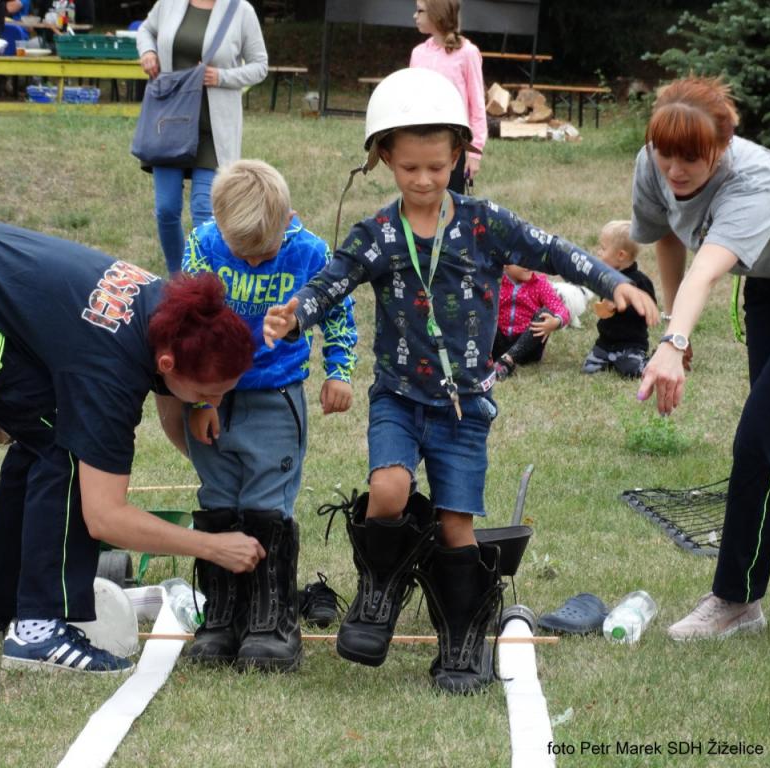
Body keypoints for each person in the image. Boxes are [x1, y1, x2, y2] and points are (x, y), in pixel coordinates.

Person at [264, 68, 658, 693]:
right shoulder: (378, 234)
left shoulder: (483, 224)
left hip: (463, 408)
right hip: (396, 395)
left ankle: (462, 638)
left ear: (458, 158)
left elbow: (553, 250)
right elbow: (331, 281)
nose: (423, 181)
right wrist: (295, 315)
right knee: (388, 489)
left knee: (456, 529)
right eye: (409, 167)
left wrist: (613, 282)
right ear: (384, 157)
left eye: (437, 167)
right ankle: (379, 589)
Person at [0, 220, 264, 674]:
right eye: (211, 393)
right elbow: (105, 516)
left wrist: (201, 404)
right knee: (63, 441)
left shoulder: (170, 311)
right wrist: (211, 547)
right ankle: (38, 633)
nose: (216, 404)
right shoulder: (109, 371)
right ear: (168, 363)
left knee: (43, 432)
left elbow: (170, 382)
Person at [180, 159, 358, 671]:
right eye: (245, 254)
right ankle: (221, 616)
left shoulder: (311, 252)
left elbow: (339, 311)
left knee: (265, 503)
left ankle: (270, 621)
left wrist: (339, 371)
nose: (256, 263)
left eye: (265, 252)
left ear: (287, 220)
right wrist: (197, 400)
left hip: (274, 395)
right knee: (217, 498)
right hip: (214, 396)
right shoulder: (203, 248)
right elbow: (186, 324)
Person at [632, 77, 770, 644]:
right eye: (664, 153)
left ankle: (734, 599)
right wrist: (679, 324)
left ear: (721, 148)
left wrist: (672, 344)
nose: (674, 170)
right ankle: (748, 600)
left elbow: (709, 266)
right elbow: (669, 240)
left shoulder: (756, 179)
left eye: (691, 159)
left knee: (760, 439)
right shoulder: (653, 164)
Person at [136, 0, 267, 274]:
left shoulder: (241, 11)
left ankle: (203, 281)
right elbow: (146, 30)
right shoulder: (169, 4)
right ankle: (176, 278)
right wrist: (148, 52)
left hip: (213, 130)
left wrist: (221, 76)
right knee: (166, 209)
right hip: (170, 123)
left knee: (203, 212)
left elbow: (259, 66)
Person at [409, 0, 487, 193]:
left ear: (437, 14)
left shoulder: (468, 53)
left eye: (420, 11)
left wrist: (474, 152)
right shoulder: (418, 53)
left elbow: (477, 105)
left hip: (453, 145)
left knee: (450, 204)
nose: (414, 16)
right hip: (420, 140)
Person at [582, 220, 656, 378]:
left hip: (631, 344)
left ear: (620, 255)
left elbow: (649, 310)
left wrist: (625, 305)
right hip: (605, 342)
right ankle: (606, 357)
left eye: (603, 248)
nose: (599, 253)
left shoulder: (641, 282)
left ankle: (649, 360)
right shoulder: (607, 278)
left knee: (632, 371)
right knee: (589, 369)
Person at [492, 264, 570, 379]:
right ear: (505, 264)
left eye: (530, 257)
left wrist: (555, 322)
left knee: (545, 314)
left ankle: (508, 360)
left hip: (529, 348)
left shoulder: (540, 284)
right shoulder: (494, 282)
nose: (528, 264)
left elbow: (561, 309)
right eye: (521, 260)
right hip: (498, 345)